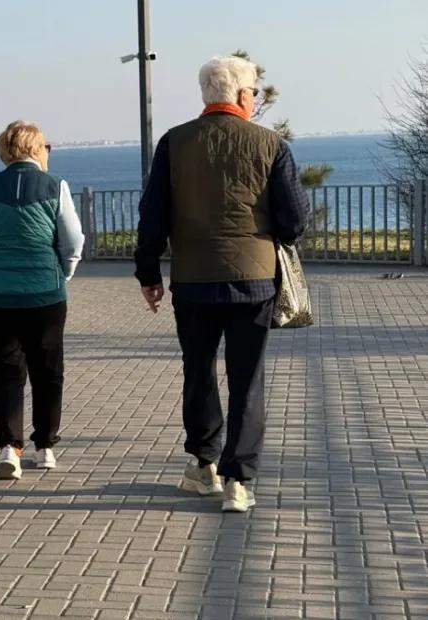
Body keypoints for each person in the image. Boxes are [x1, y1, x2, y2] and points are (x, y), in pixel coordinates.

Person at [134, 56, 308, 512]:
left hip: (191, 280)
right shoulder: (271, 144)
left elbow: (152, 214)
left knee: (199, 371)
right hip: (253, 280)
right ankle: (239, 481)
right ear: (243, 96)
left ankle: (204, 465)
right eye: (252, 91)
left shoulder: (174, 143)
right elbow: (294, 222)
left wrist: (149, 273)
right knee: (247, 380)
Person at [0, 121, 85, 480]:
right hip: (45, 293)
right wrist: (63, 273)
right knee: (48, 370)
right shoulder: (55, 185)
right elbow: (73, 240)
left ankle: (9, 448)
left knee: (6, 370)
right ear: (35, 149)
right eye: (46, 146)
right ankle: (44, 446)